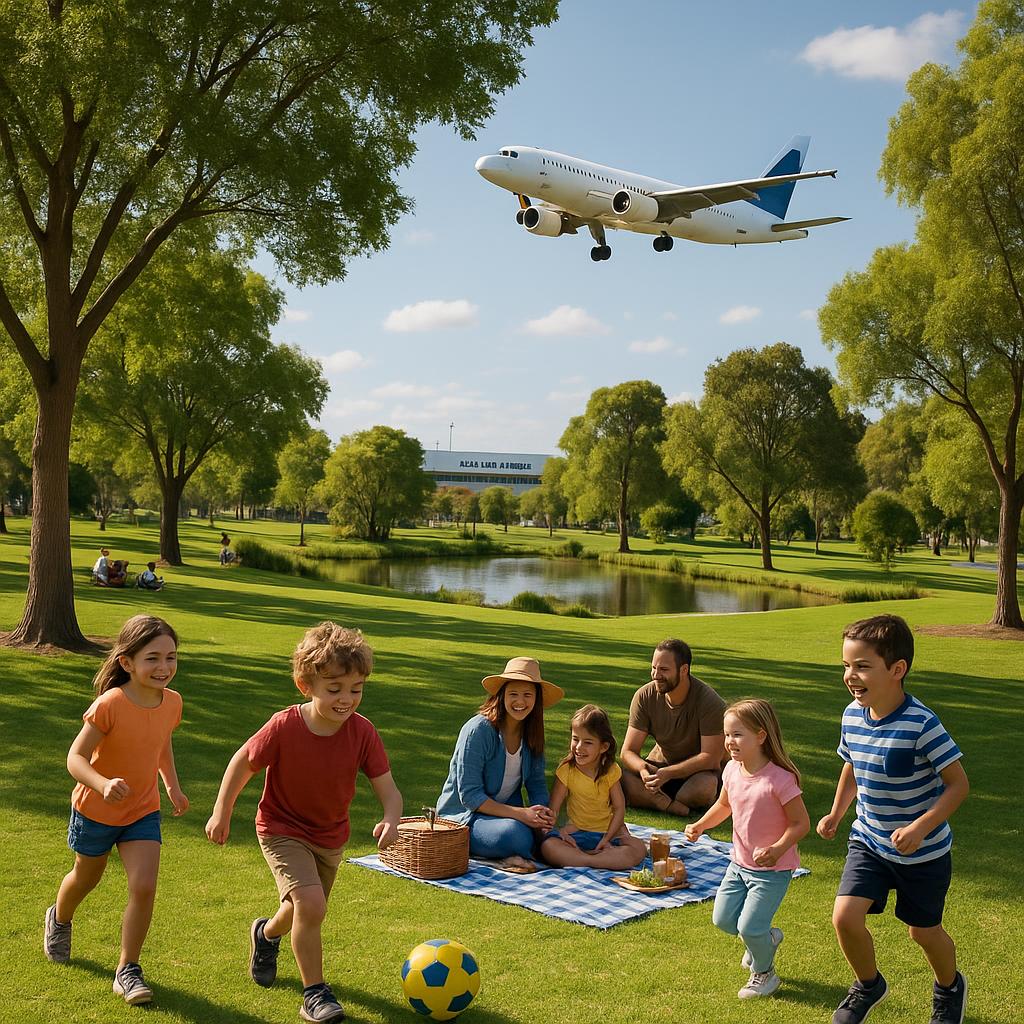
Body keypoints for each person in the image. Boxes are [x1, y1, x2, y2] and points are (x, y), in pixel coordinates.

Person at [205, 622, 402, 1024]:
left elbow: (390, 790)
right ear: (305, 684)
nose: (347, 699)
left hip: (329, 836)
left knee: (301, 911)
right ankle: (315, 994)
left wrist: (391, 818)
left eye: (356, 689)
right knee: (311, 905)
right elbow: (243, 762)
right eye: (335, 689)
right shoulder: (284, 726)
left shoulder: (363, 733)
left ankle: (266, 934)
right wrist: (221, 810)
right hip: (281, 828)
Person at [817, 614, 970, 1024]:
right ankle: (868, 985)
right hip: (869, 840)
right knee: (845, 918)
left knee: (922, 932)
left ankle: (949, 988)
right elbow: (851, 766)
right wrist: (836, 812)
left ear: (897, 669)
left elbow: (958, 785)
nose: (850, 675)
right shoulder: (852, 715)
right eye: (846, 665)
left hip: (924, 853)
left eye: (862, 666)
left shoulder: (922, 723)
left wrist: (921, 827)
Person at [43, 615, 188, 1007]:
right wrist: (102, 784)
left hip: (143, 810)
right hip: (95, 812)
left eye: (171, 658)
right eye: (153, 658)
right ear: (127, 663)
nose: (164, 668)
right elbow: (75, 757)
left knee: (144, 886)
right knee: (85, 878)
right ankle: (59, 917)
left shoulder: (172, 702)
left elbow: (161, 745)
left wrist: (171, 785)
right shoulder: (111, 703)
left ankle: (128, 970)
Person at [684, 699, 809, 1000]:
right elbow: (724, 804)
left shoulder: (779, 779)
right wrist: (701, 825)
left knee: (749, 927)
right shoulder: (731, 770)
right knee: (724, 920)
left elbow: (800, 823)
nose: (729, 741)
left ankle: (765, 974)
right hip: (738, 865)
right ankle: (765, 939)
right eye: (727, 734)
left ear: (761, 736)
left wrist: (778, 849)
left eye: (737, 734)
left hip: (772, 871)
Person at [436, 656, 563, 871]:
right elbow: (470, 796)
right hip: (466, 818)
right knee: (516, 835)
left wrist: (544, 818)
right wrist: (521, 814)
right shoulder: (478, 730)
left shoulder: (532, 734)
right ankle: (520, 852)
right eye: (513, 694)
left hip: (506, 816)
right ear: (501, 694)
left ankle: (535, 849)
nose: (520, 702)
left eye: (527, 695)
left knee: (552, 836)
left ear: (536, 699)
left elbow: (537, 785)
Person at [620, 638, 726, 817]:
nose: (655, 675)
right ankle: (667, 804)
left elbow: (710, 759)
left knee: (704, 789)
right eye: (653, 668)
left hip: (699, 772)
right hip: (660, 768)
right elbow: (627, 752)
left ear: (684, 670)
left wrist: (669, 773)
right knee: (617, 777)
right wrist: (643, 769)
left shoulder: (709, 701)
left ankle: (656, 799)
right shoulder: (644, 696)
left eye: (663, 670)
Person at [539, 704, 646, 870]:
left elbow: (619, 808)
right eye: (575, 739)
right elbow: (553, 810)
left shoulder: (610, 771)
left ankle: (586, 859)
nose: (579, 747)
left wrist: (607, 838)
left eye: (588, 742)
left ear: (603, 747)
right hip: (576, 833)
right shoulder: (566, 770)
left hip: (607, 833)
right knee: (548, 847)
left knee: (638, 848)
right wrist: (561, 832)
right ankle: (595, 860)